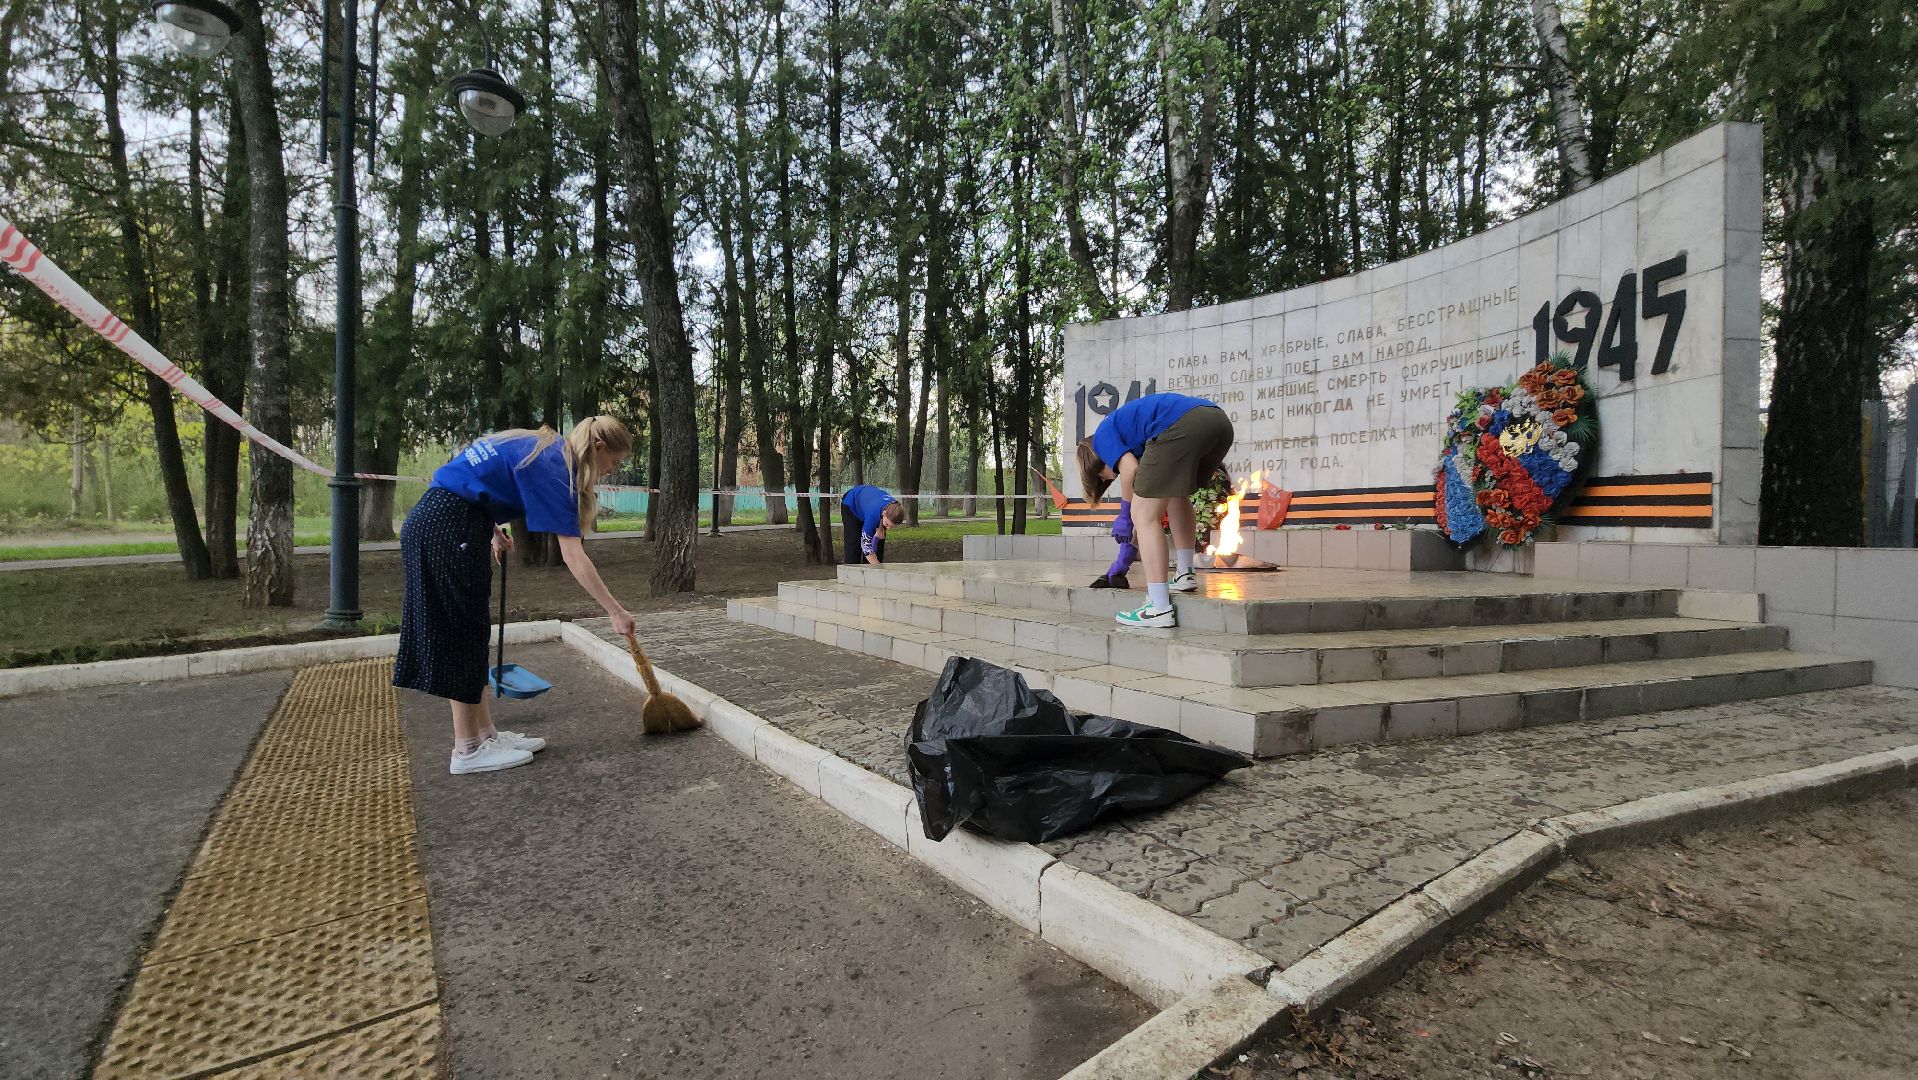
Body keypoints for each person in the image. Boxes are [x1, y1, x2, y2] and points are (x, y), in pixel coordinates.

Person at [395, 415, 636, 775]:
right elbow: (573, 554)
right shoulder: (557, 466)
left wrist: (492, 528)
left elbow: (473, 477)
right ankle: (466, 750)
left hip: (452, 521)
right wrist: (615, 612)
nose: (611, 471)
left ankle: (485, 736)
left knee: (474, 631)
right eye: (613, 463)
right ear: (598, 448)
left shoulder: (546, 447)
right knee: (460, 633)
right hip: (445, 527)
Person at [1076, 392, 1235, 629]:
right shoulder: (1135, 437)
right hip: (1217, 422)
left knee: (1142, 514)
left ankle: (1159, 607)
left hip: (1183, 425)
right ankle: (1184, 572)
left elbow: (1129, 469)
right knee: (1175, 494)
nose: (1112, 476)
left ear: (1095, 462)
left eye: (1103, 476)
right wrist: (1125, 559)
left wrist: (1126, 514)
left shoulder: (1102, 437)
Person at [841, 483, 908, 566]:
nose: (888, 528)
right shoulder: (873, 516)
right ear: (884, 513)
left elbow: (876, 541)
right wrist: (878, 568)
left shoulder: (894, 508)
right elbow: (866, 548)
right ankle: (851, 574)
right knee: (854, 544)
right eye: (887, 525)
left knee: (879, 543)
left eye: (891, 526)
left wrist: (878, 534)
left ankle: (871, 574)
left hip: (869, 502)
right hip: (851, 503)